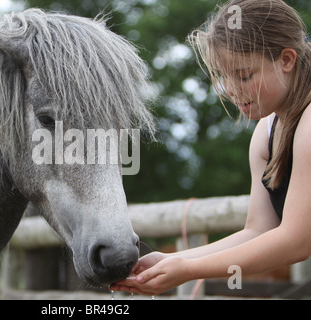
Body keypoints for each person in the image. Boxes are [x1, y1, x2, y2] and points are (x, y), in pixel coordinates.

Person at [110, 0, 311, 296]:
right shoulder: (266, 132)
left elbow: (296, 241)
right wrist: (175, 259)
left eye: (244, 75)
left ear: (286, 59)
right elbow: (260, 231)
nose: (232, 89)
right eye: (223, 76)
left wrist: (190, 270)